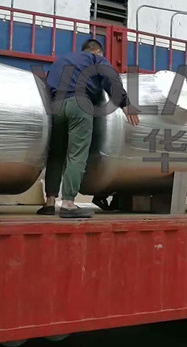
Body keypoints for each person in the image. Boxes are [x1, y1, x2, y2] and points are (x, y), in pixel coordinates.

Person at [38, 39, 139, 218]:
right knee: (77, 154)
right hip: (79, 104)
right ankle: (68, 203)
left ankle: (50, 202)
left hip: (55, 107)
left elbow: (46, 83)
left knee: (56, 154)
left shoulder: (61, 60)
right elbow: (111, 79)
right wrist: (125, 103)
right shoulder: (95, 59)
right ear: (97, 51)